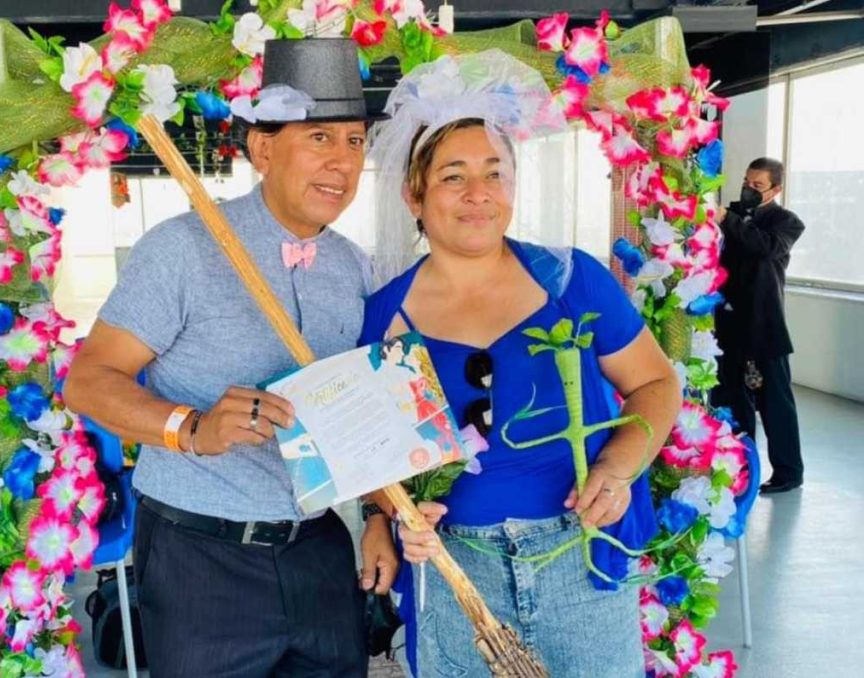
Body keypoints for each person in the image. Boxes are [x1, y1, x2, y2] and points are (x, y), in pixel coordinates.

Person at [64, 38, 397, 677]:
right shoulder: (183, 248)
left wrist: (382, 513)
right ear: (262, 148)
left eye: (355, 142)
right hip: (199, 555)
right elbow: (89, 380)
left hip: (319, 550)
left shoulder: (357, 269)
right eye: (320, 139)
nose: (343, 163)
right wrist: (189, 428)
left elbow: (372, 413)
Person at [358, 51, 682, 677]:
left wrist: (616, 470)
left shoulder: (571, 280)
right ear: (414, 194)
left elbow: (654, 382)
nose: (479, 195)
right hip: (453, 573)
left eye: (495, 172)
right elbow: (373, 454)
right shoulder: (384, 316)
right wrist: (391, 511)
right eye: (453, 176)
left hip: (578, 558)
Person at [714, 158, 805, 494]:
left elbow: (765, 248)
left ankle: (788, 472)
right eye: (746, 182)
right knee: (731, 399)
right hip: (727, 322)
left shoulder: (786, 222)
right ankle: (738, 467)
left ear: (775, 189)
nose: (748, 190)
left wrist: (729, 220)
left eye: (758, 186)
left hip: (765, 325)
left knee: (775, 402)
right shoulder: (731, 214)